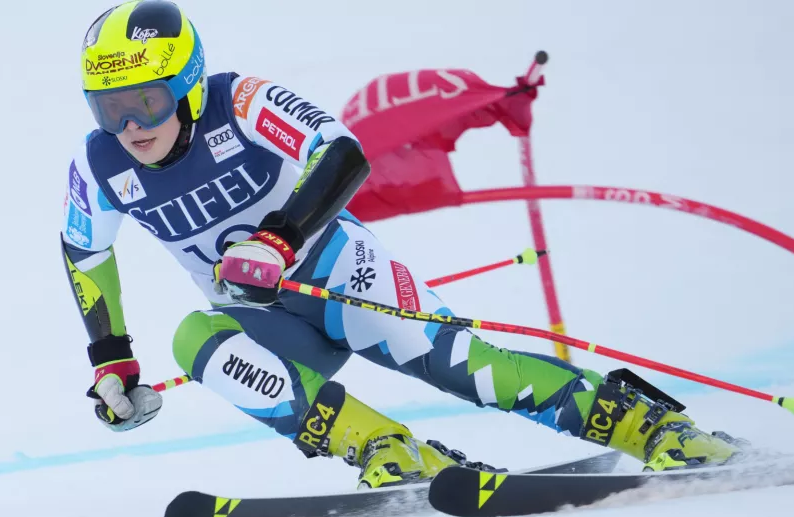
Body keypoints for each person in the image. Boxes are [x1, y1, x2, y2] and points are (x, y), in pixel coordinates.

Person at [63, 0, 740, 489]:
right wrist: (111, 360)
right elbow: (83, 251)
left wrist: (279, 237)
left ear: (183, 84)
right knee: (196, 339)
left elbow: (342, 151)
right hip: (265, 317)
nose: (129, 126)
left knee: (469, 370)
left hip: (339, 274)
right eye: (109, 107)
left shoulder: (238, 101)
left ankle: (650, 429)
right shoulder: (100, 166)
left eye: (146, 102)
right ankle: (386, 447)